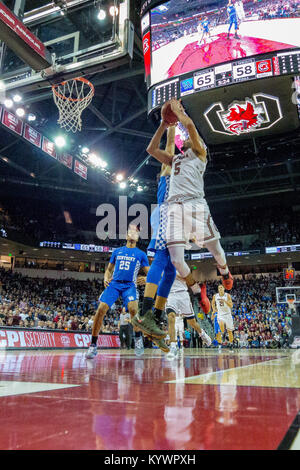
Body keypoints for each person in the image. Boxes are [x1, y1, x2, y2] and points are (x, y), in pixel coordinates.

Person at [132, 128, 177, 353]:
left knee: (171, 272)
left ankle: (155, 320)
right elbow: (169, 145)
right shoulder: (168, 169)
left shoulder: (182, 174)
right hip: (165, 213)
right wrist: (171, 125)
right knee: (160, 259)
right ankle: (145, 314)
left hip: (173, 217)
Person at [86, 225, 150, 359]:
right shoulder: (117, 251)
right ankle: (93, 344)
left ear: (138, 238)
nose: (133, 233)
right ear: (126, 236)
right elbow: (109, 269)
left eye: (136, 232)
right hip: (114, 284)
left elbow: (149, 273)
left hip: (129, 285)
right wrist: (105, 277)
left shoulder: (141, 254)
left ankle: (138, 339)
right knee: (101, 310)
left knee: (133, 309)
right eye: (130, 231)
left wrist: (146, 278)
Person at [166, 273, 212, 360]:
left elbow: (188, 279)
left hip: (183, 294)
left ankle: (202, 334)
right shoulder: (165, 265)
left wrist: (174, 274)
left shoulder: (180, 265)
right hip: (170, 295)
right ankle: (173, 346)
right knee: (171, 317)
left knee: (192, 322)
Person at [212, 284, 234, 350]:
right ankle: (223, 333)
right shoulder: (215, 296)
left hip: (228, 314)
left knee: (230, 331)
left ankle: (231, 343)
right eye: (219, 288)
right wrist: (213, 309)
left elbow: (231, 305)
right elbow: (213, 303)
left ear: (224, 288)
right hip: (220, 314)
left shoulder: (227, 296)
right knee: (221, 324)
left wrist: (225, 301)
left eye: (221, 287)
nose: (220, 289)